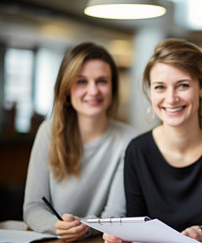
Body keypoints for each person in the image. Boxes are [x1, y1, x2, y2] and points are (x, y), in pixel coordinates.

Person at [103, 38, 202, 242]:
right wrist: (124, 236)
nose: (171, 98)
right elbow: (137, 223)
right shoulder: (137, 150)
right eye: (160, 87)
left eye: (182, 85)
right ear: (150, 92)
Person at [23, 42, 138, 241]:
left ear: (113, 88)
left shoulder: (129, 140)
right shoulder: (48, 132)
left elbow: (116, 215)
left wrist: (82, 227)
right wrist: (56, 226)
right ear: (66, 90)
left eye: (102, 81)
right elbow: (33, 207)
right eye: (81, 81)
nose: (93, 91)